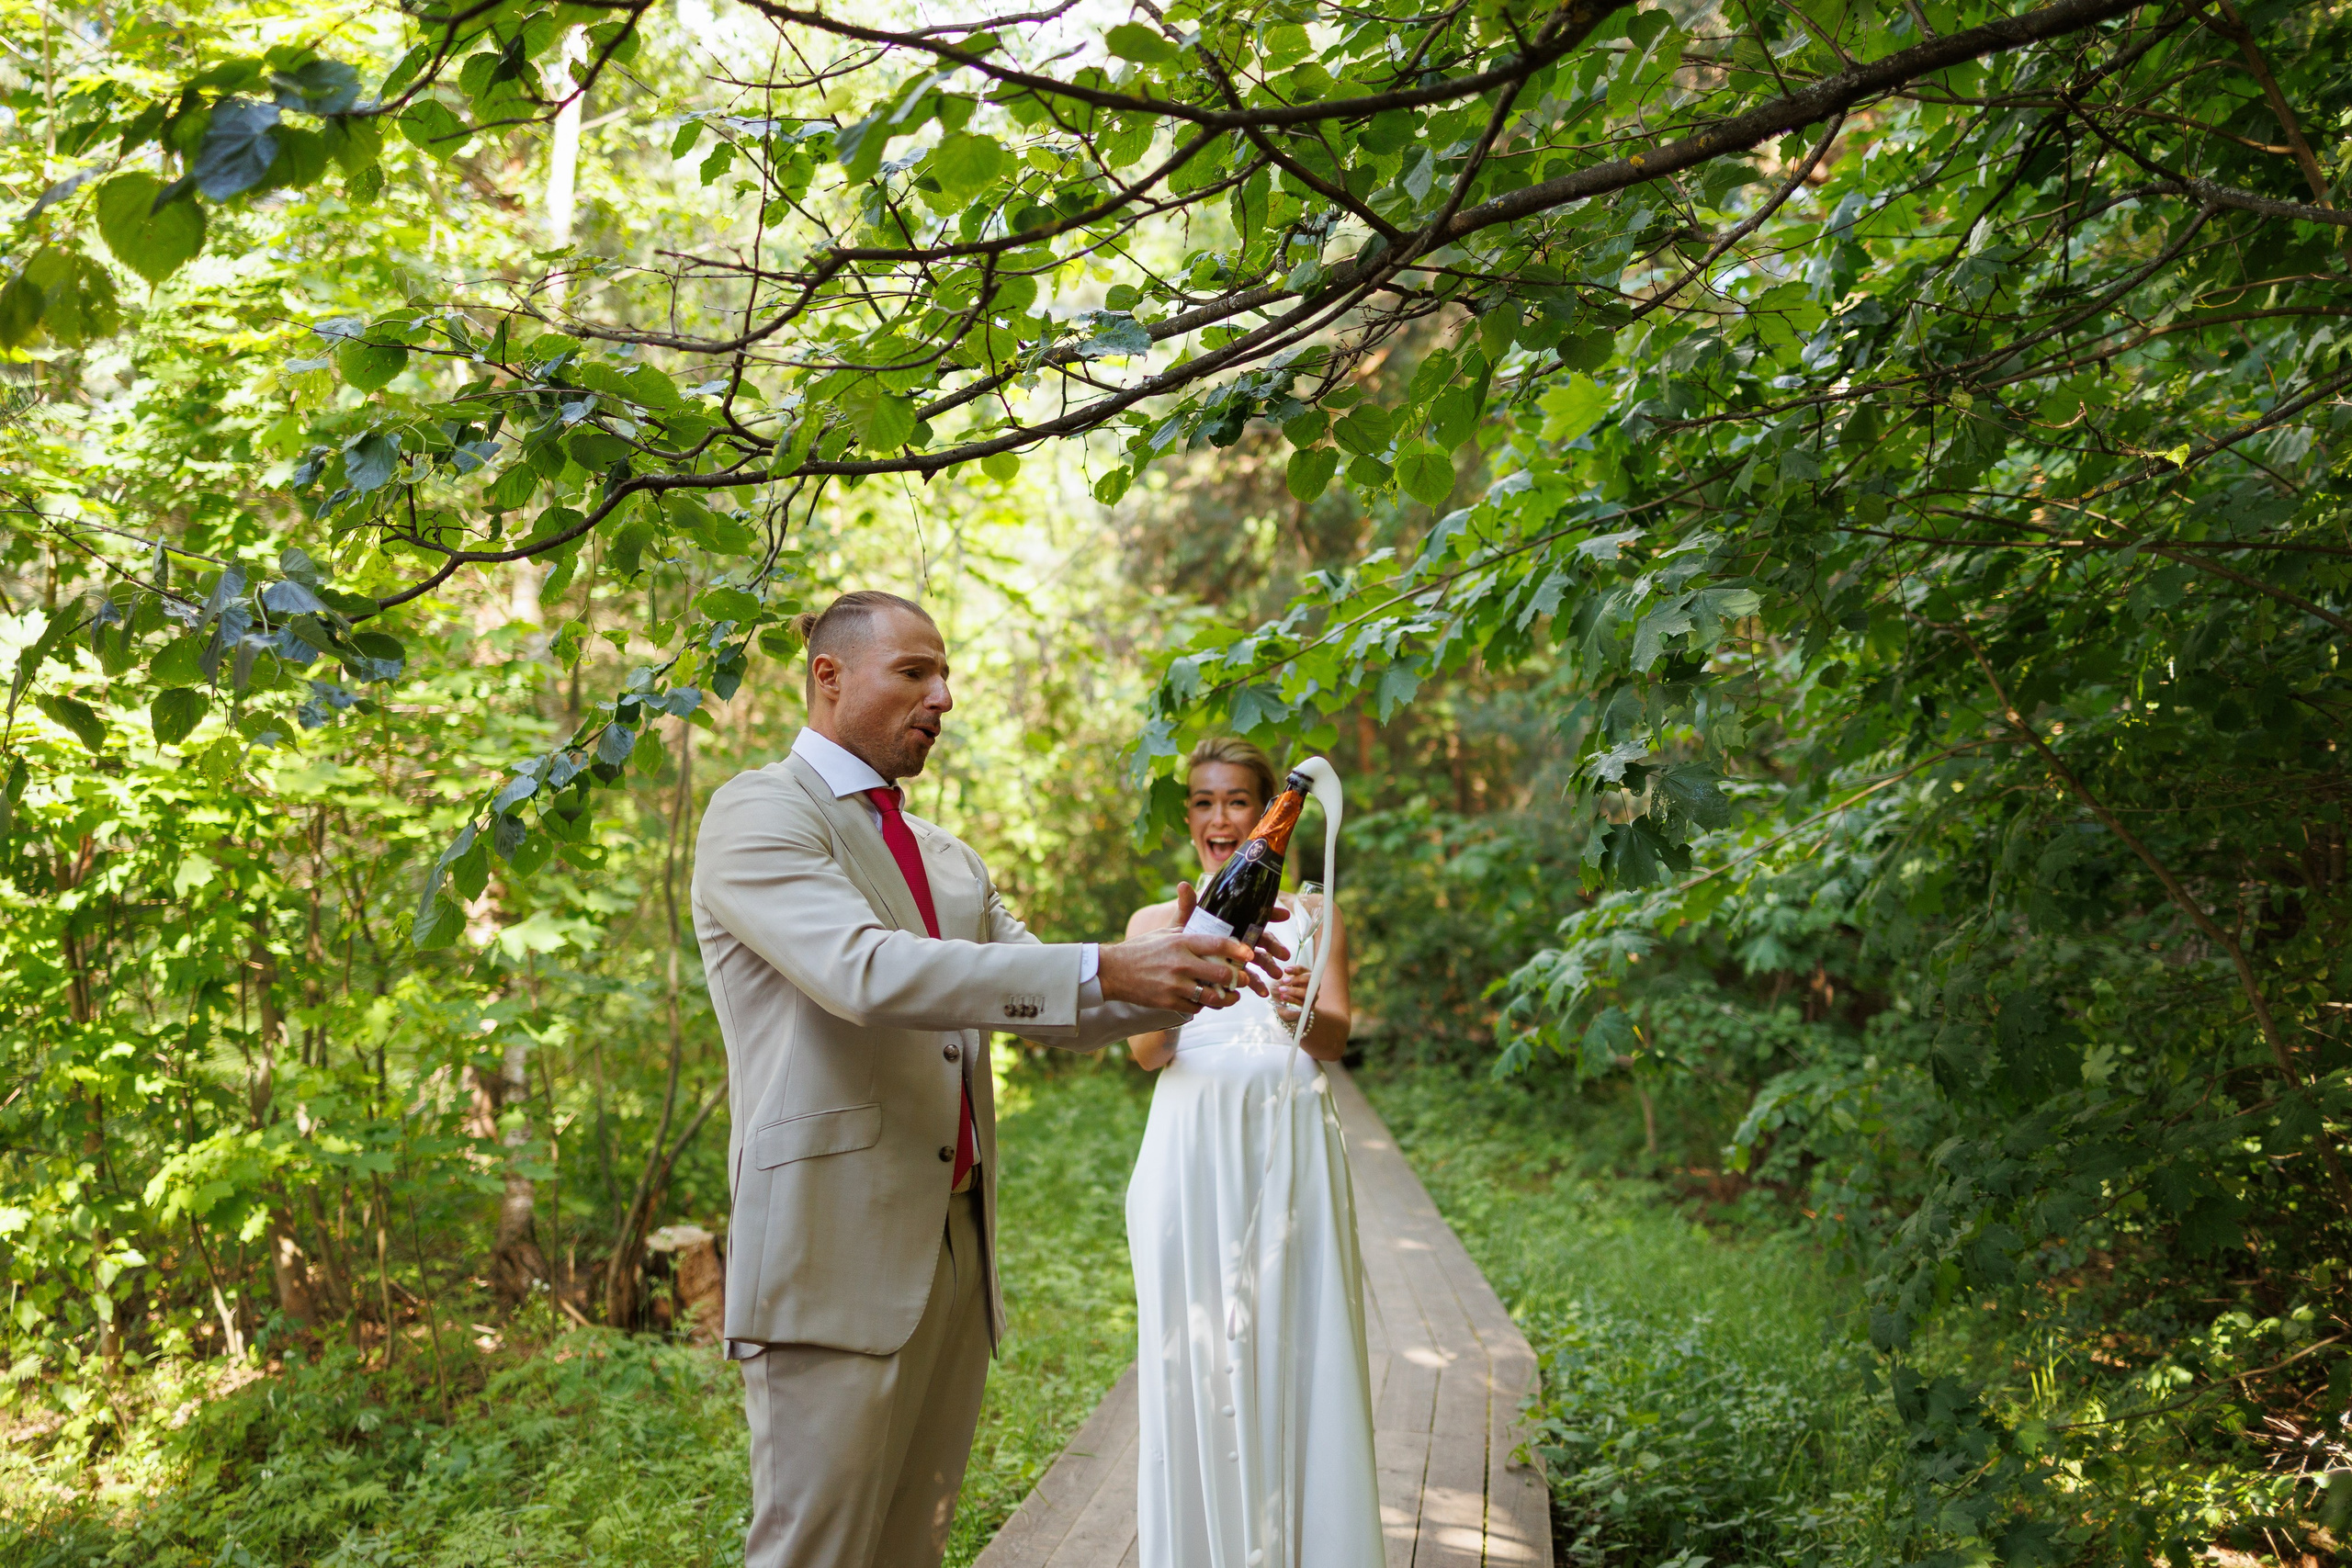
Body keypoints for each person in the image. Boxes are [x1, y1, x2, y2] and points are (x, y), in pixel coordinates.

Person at [691, 592, 1287, 1568]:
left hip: (955, 1251)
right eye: (915, 673)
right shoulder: (757, 811)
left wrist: (1188, 973)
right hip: (832, 1245)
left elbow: (1065, 1005)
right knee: (817, 1550)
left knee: (909, 1549)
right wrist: (1106, 962)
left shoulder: (947, 859)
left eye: (945, 674)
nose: (945, 698)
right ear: (827, 676)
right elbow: (864, 972)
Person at [1122, 737, 1383, 1568]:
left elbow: (1334, 1042)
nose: (1219, 818)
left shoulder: (1315, 916)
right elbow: (1149, 1054)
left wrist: (1302, 1008)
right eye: (1203, 802)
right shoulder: (1153, 922)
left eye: (1237, 800)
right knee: (1191, 1362)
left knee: (1295, 1345)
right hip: (1188, 1156)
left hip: (1289, 1150)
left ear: (1272, 812)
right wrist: (1180, 970)